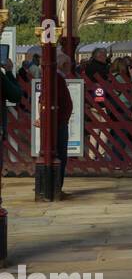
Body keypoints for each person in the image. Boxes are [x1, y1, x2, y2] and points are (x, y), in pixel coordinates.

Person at [52, 52, 75, 199]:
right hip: (58, 123)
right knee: (60, 155)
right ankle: (56, 188)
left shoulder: (58, 78)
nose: (71, 66)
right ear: (64, 64)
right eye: (69, 64)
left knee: (60, 155)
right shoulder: (58, 78)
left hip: (60, 122)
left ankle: (58, 187)